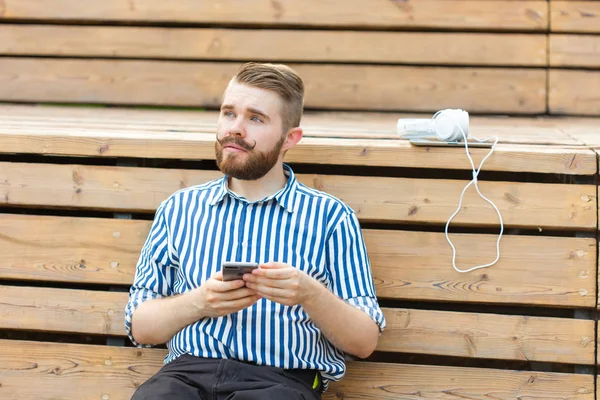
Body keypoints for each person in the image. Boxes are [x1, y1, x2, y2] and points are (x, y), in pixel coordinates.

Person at [125, 62, 386, 400]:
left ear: (289, 138)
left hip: (280, 382)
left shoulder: (331, 218)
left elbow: (364, 343)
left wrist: (309, 293)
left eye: (256, 119)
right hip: (186, 376)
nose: (236, 129)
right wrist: (199, 302)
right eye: (228, 113)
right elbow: (139, 326)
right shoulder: (179, 209)